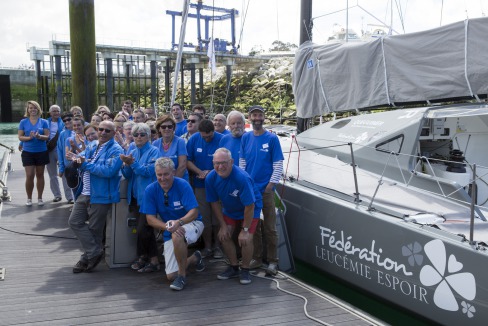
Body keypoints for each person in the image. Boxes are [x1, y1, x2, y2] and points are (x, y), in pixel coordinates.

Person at [67, 121, 124, 273]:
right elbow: (82, 156)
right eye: (101, 129)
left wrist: (84, 164)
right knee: (74, 221)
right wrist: (76, 157)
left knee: (95, 230)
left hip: (101, 195)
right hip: (85, 192)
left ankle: (87, 258)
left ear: (114, 133)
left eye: (107, 130)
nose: (103, 132)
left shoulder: (117, 150)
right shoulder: (92, 145)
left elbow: (108, 171)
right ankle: (94, 253)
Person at [143, 158, 205, 291]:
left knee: (178, 235)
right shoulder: (150, 190)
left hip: (192, 223)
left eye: (166, 174)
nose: (162, 178)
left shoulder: (183, 185)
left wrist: (179, 222)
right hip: (170, 228)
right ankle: (195, 257)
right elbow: (150, 219)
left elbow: (194, 212)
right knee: (171, 275)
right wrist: (167, 226)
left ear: (174, 172)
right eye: (159, 175)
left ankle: (182, 277)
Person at [206, 148, 262, 285]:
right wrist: (223, 226)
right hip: (230, 209)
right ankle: (234, 267)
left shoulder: (241, 178)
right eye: (216, 163)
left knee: (245, 239)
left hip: (249, 209)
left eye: (223, 162)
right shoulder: (210, 178)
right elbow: (213, 202)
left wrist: (245, 229)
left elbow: (249, 206)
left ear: (231, 162)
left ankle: (245, 269)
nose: (220, 166)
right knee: (224, 235)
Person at [239, 105, 284, 275]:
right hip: (250, 190)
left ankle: (273, 261)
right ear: (249, 117)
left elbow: (278, 163)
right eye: (254, 115)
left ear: (264, 117)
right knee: (253, 227)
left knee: (270, 228)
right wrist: (243, 183)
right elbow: (242, 162)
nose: (257, 118)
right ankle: (256, 258)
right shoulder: (245, 138)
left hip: (266, 190)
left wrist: (270, 185)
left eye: (260, 115)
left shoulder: (272, 139)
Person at [120, 123, 160, 273]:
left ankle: (147, 258)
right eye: (135, 134)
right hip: (135, 196)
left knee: (145, 229)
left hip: (149, 197)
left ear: (149, 136)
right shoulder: (132, 150)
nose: (138, 137)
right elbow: (128, 175)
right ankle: (150, 259)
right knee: (142, 229)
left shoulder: (154, 151)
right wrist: (125, 165)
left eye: (142, 134)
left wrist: (133, 163)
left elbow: (148, 172)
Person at [186, 119, 224, 259]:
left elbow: (227, 162)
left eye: (209, 136)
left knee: (217, 218)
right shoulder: (194, 139)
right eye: (204, 136)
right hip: (200, 185)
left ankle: (218, 246)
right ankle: (207, 246)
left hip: (218, 185)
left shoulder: (222, 139)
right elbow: (187, 160)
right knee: (204, 218)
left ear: (213, 131)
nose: (206, 139)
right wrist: (199, 172)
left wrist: (212, 172)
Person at [17, 100, 50, 206]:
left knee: (40, 174)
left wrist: (39, 136)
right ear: (28, 110)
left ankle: (40, 198)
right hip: (28, 152)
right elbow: (20, 136)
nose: (32, 110)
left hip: (41, 151)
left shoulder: (44, 121)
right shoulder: (23, 122)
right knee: (30, 175)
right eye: (30, 108)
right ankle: (29, 198)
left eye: (35, 108)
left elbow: (47, 136)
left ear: (38, 109)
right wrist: (29, 137)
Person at [153, 115, 189, 182]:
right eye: (163, 127)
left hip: (179, 180)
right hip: (162, 181)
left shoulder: (180, 142)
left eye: (170, 127)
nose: (167, 129)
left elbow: (182, 165)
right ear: (159, 129)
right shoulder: (155, 144)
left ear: (173, 128)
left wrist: (173, 183)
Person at [46, 105, 65, 203]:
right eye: (54, 111)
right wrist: (21, 143)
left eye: (58, 111)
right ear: (50, 113)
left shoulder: (64, 122)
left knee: (65, 172)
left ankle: (69, 196)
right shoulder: (45, 122)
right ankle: (57, 195)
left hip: (61, 149)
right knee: (52, 174)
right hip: (49, 149)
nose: (56, 113)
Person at [57, 112, 75, 204]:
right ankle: (69, 198)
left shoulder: (79, 131)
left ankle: (76, 199)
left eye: (69, 119)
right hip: (66, 163)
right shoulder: (62, 134)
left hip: (77, 163)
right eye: (64, 120)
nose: (67, 122)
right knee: (66, 182)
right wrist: (61, 167)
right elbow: (59, 150)